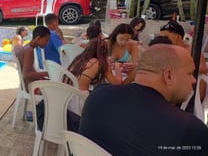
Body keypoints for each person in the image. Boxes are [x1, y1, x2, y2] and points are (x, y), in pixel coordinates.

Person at [79, 44, 208, 156]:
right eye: (190, 73)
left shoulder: (98, 96)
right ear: (168, 75)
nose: (194, 80)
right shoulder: (189, 128)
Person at [160, 20, 208, 101]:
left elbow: (204, 68)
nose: (162, 39)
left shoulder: (192, 50)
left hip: (190, 90)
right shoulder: (166, 50)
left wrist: (183, 69)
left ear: (178, 37)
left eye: (165, 37)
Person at [14, 25, 51, 90]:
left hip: (30, 84)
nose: (47, 43)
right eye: (46, 40)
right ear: (38, 38)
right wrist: (47, 73)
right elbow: (27, 75)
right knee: (58, 88)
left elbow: (16, 47)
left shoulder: (27, 46)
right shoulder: (29, 50)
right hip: (31, 87)